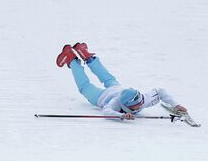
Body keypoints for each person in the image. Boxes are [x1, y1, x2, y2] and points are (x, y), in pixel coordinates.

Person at [56, 42, 187, 120]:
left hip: (117, 88)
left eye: (141, 100)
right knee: (85, 86)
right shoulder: (116, 103)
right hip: (102, 96)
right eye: (137, 104)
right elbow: (107, 111)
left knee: (108, 79)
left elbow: (160, 92)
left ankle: (87, 57)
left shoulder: (143, 100)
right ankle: (72, 59)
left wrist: (176, 105)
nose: (141, 104)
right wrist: (121, 116)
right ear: (127, 105)